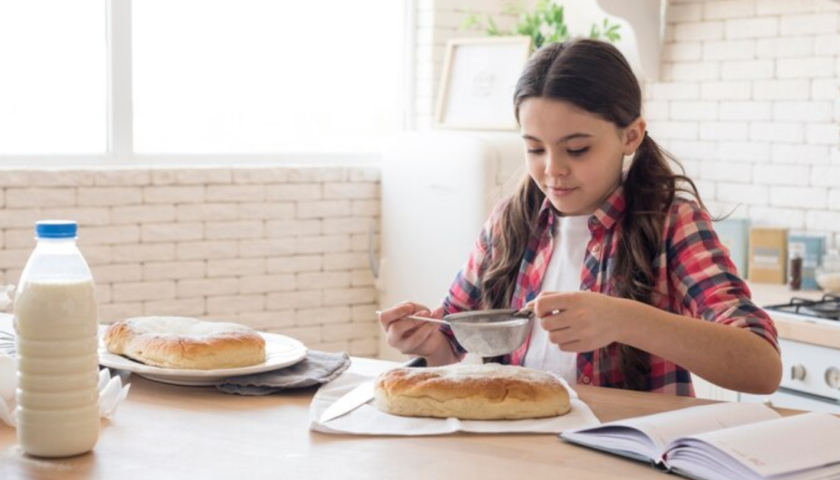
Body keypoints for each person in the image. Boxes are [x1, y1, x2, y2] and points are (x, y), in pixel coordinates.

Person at [378, 38, 781, 396]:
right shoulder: (511, 221)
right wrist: (426, 340)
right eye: (535, 149)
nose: (553, 169)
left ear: (631, 136)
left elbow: (761, 367)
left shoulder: (671, 222)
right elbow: (452, 339)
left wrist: (623, 320)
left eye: (577, 149)